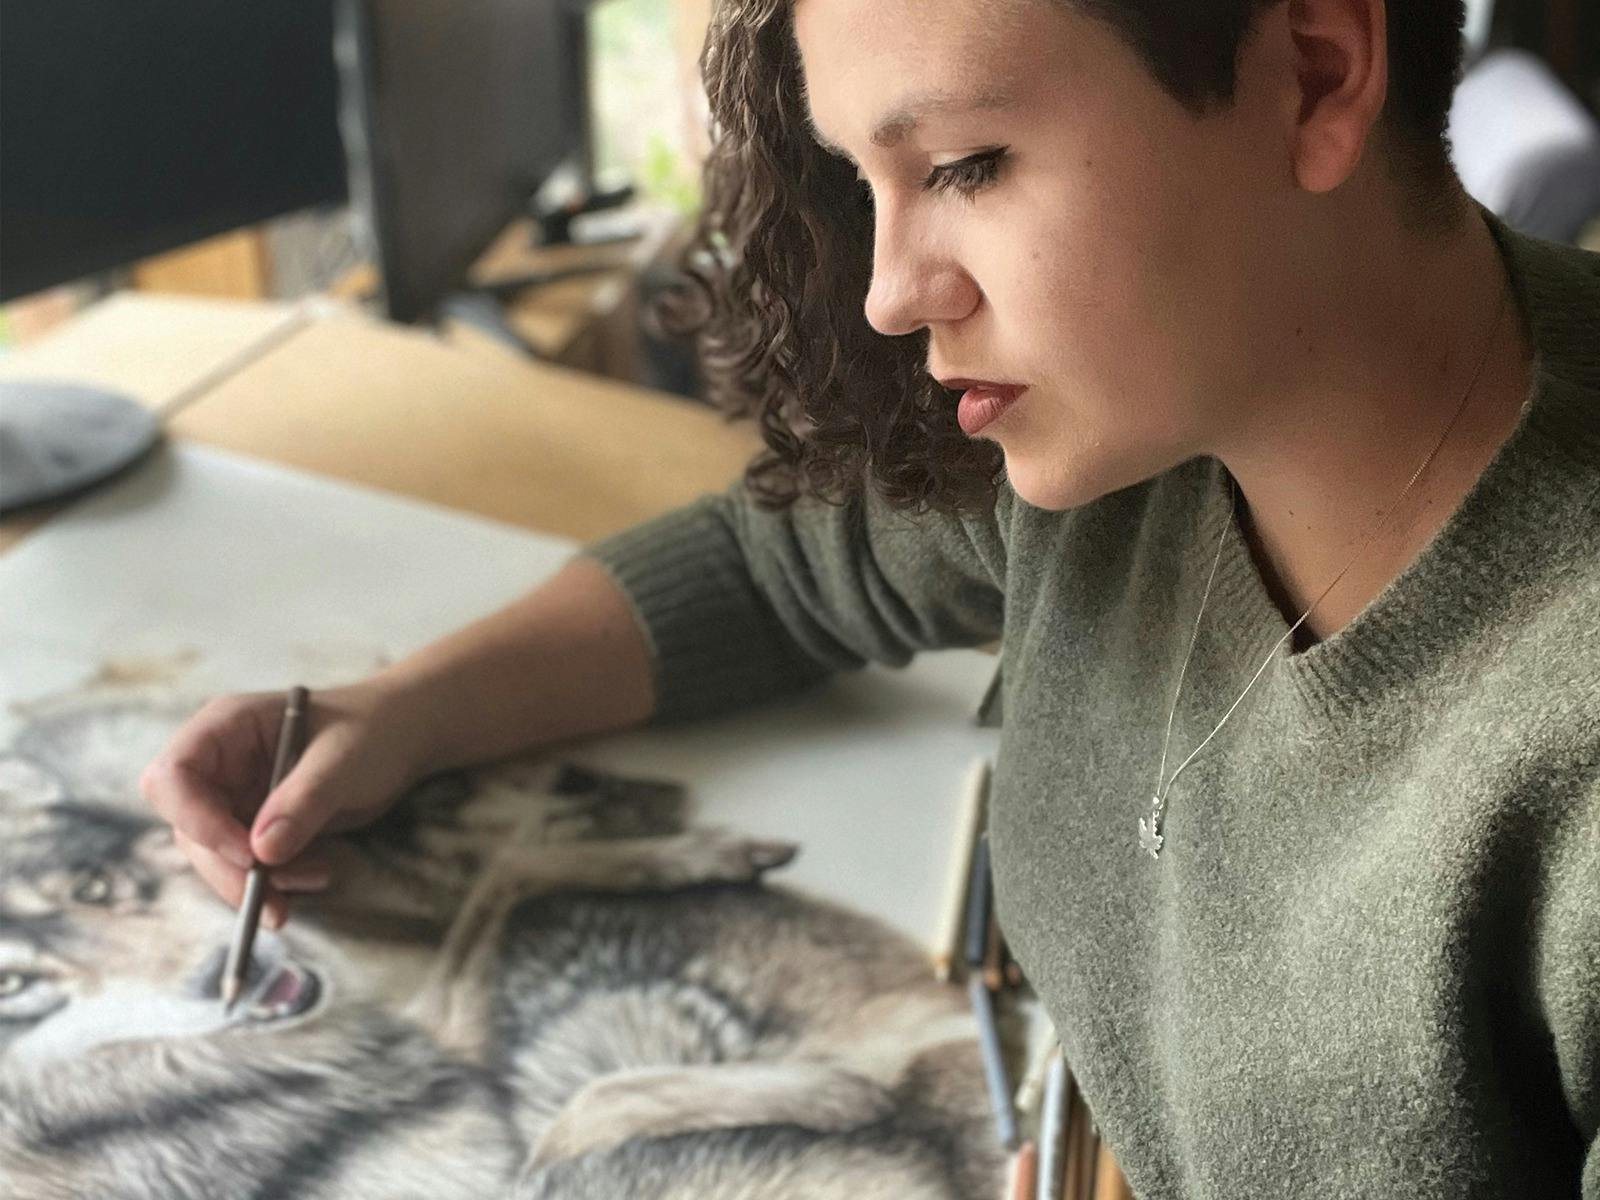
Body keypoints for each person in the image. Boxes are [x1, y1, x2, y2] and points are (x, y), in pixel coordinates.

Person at [142, 0, 1600, 1193]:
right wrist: (403, 711)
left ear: (1317, 76)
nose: (890, 293)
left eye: (965, 165)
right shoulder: (1142, 421)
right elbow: (784, 562)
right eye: (863, 183)